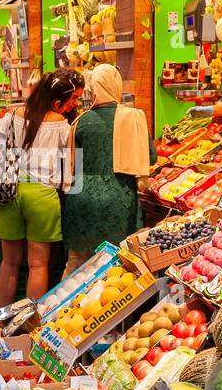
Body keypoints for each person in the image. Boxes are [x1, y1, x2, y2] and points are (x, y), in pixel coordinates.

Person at [0, 68, 83, 306]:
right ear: (56, 101)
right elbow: (72, 168)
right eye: (73, 99)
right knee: (38, 264)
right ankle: (29, 323)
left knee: (9, 263)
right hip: (42, 196)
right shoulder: (63, 125)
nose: (75, 104)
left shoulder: (10, 117)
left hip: (9, 193)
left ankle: (3, 319)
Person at [62, 64, 154, 274]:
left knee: (78, 266)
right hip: (118, 198)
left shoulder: (80, 122)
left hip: (81, 200)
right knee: (119, 265)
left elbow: (73, 166)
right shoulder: (133, 117)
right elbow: (150, 156)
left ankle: (68, 304)